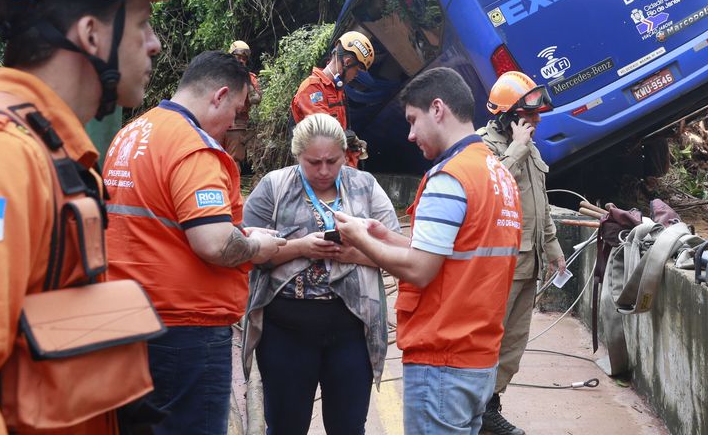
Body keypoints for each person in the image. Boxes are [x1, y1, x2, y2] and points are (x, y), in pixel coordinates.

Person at [0, 0, 165, 433]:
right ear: (91, 34)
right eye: (142, 22)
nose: (154, 44)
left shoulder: (54, 154)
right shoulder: (3, 158)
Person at [103, 50, 286, 435]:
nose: (233, 123)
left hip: (127, 323)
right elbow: (215, 243)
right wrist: (257, 247)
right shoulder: (193, 147)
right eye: (236, 111)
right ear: (219, 96)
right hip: (185, 332)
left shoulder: (132, 134)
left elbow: (163, 223)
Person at [333, 67, 522, 434]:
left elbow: (421, 269)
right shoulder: (495, 173)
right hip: (478, 357)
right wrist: (385, 238)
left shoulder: (449, 177)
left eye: (412, 120)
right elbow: (455, 253)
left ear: (437, 109)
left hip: (442, 359)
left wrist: (359, 237)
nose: (410, 134)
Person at [241, 113, 400, 435]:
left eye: (333, 161)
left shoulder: (364, 186)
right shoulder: (274, 186)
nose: (324, 171)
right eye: (314, 162)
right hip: (285, 333)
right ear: (297, 155)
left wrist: (354, 253)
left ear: (345, 154)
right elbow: (246, 252)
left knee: (349, 427)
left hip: (352, 331)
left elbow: (397, 249)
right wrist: (300, 247)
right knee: (285, 427)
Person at [476, 72, 566, 435]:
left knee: (513, 343)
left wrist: (553, 248)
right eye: (529, 115)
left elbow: (540, 205)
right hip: (500, 265)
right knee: (487, 339)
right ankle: (473, 409)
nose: (537, 121)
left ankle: (489, 408)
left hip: (530, 261)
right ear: (507, 117)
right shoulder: (484, 147)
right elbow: (487, 190)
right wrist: (516, 148)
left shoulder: (532, 149)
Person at [291, 30, 375, 168]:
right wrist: (347, 137)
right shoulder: (312, 88)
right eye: (357, 70)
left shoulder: (338, 90)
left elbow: (340, 131)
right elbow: (324, 133)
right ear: (347, 62)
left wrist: (354, 143)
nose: (356, 76)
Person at [224, 39, 261, 171]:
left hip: (237, 125)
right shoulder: (220, 74)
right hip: (217, 123)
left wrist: (246, 81)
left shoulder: (250, 78)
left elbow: (255, 99)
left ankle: (233, 184)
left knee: (233, 162)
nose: (241, 61)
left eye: (244, 58)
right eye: (238, 57)